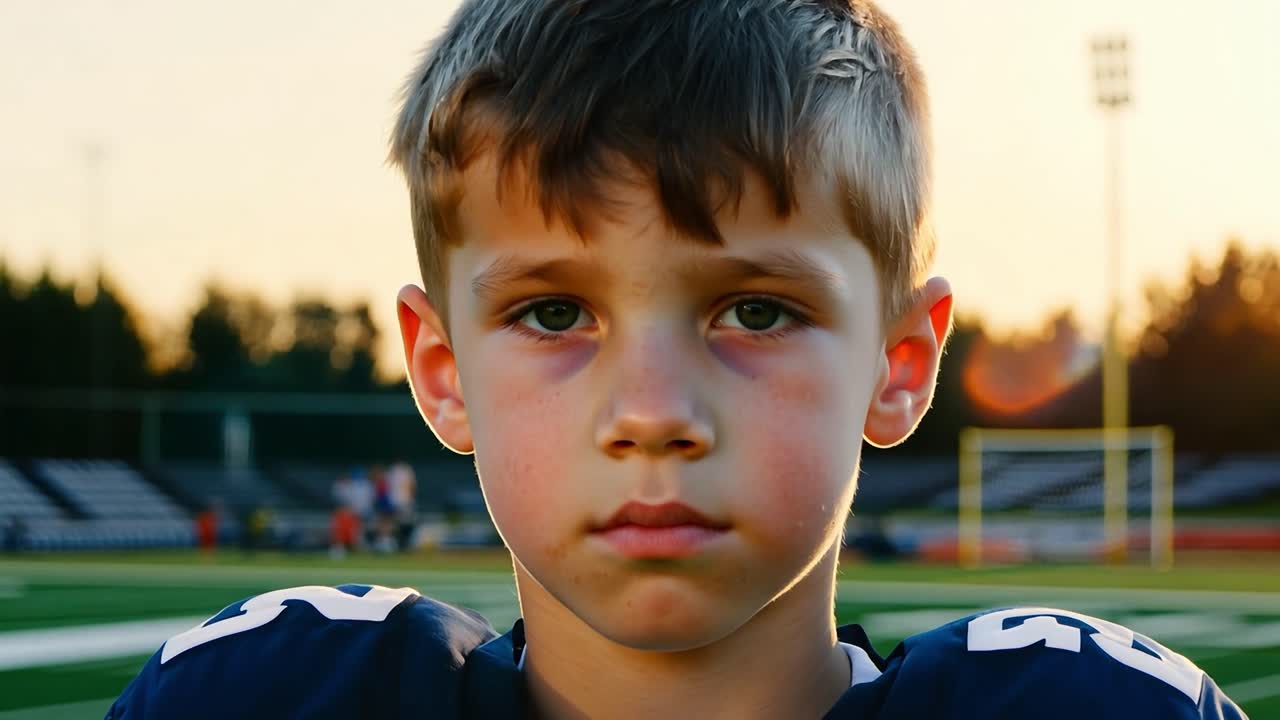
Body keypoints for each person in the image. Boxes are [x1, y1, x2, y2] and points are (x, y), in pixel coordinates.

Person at [106, 1, 1245, 718]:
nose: (651, 413)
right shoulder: (273, 694)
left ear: (898, 362)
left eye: (753, 311)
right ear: (442, 370)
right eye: (554, 315)